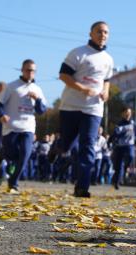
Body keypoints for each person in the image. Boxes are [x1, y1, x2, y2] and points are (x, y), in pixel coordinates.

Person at [52, 21, 113, 197]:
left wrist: (106, 92)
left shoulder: (108, 59)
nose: (103, 35)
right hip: (71, 105)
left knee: (88, 146)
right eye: (99, 31)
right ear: (91, 33)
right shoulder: (78, 53)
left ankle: (82, 187)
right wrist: (83, 89)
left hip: (94, 108)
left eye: (106, 32)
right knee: (67, 145)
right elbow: (63, 75)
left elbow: (106, 80)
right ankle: (57, 148)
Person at [0, 59, 47, 193]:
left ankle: (13, 183)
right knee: (11, 154)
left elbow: (41, 110)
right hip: (11, 126)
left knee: (25, 154)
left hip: (28, 127)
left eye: (33, 70)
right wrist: (1, 116)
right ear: (22, 70)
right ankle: (3, 153)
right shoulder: (11, 87)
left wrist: (37, 99)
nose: (30, 73)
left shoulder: (37, 89)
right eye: (28, 70)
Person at [110, 107, 136, 190]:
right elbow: (115, 134)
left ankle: (126, 168)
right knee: (118, 165)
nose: (127, 114)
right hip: (120, 146)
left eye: (129, 113)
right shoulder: (119, 124)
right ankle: (116, 181)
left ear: (131, 114)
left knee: (130, 156)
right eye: (126, 112)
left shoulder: (133, 124)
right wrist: (113, 139)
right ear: (122, 114)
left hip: (130, 145)